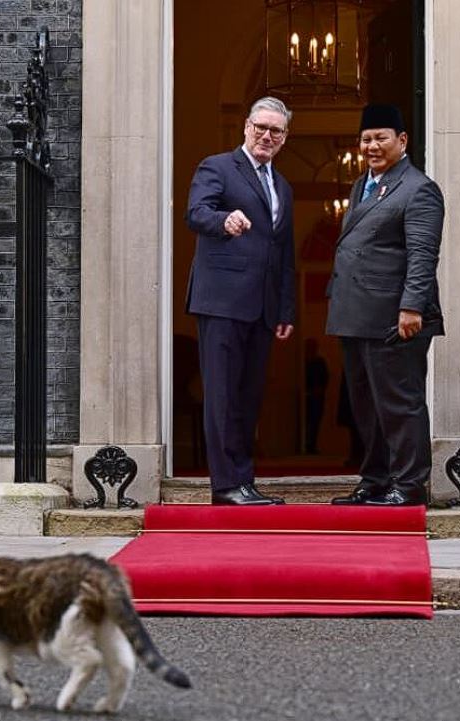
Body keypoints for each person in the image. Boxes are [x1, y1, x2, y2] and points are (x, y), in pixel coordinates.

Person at [326, 103, 445, 506]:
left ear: (402, 141)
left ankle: (408, 485)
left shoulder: (418, 188)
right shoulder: (363, 184)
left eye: (381, 138)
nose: (372, 146)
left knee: (399, 403)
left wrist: (412, 307)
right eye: (366, 139)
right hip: (356, 314)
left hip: (395, 317)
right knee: (365, 406)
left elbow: (422, 254)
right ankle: (375, 479)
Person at [185, 96, 296, 505]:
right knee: (222, 396)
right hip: (221, 301)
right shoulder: (217, 167)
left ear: (285, 137)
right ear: (246, 127)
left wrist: (285, 308)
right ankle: (226, 485)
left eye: (275, 131)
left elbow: (284, 253)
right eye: (260, 127)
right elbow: (196, 212)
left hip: (262, 307)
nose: (266, 136)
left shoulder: (282, 186)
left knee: (248, 397)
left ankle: (243, 481)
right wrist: (223, 220)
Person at [303, 339, 329, 455]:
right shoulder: (301, 362)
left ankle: (311, 445)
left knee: (315, 422)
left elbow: (325, 377)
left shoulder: (319, 362)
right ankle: (304, 444)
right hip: (304, 397)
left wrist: (320, 389)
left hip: (316, 397)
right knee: (304, 421)